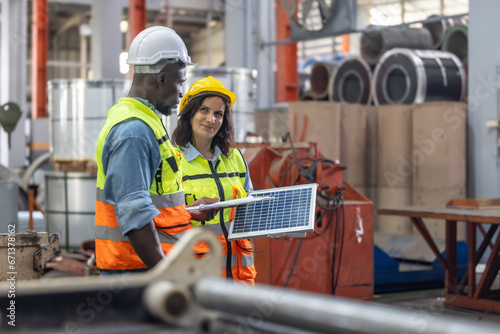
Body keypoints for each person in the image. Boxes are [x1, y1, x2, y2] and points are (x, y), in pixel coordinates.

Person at [94, 26, 218, 275]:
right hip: (136, 275)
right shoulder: (134, 132)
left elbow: (152, 199)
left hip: (143, 271)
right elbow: (135, 215)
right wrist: (168, 275)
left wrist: (187, 212)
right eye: (180, 82)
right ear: (161, 78)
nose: (182, 92)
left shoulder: (144, 121)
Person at [171, 76, 257, 286]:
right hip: (198, 277)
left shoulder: (235, 158)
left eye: (218, 114)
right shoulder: (173, 162)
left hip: (240, 278)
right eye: (204, 110)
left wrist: (277, 227)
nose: (211, 119)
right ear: (189, 113)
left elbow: (251, 210)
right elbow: (164, 221)